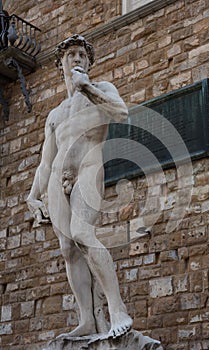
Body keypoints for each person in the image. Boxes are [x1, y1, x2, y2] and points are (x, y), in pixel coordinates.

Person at [26, 34, 132, 339]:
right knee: (68, 248)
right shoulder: (55, 114)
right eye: (71, 55)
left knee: (83, 234)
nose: (77, 59)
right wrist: (33, 196)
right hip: (59, 178)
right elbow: (46, 161)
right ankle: (87, 318)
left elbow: (121, 112)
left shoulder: (101, 90)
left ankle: (117, 309)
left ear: (89, 63)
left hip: (88, 167)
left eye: (82, 55)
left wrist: (86, 86)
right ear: (61, 64)